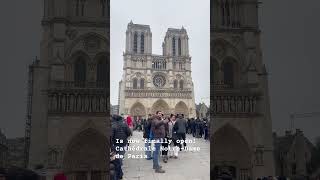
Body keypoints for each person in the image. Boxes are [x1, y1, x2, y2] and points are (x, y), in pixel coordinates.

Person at [112, 114, 132, 179]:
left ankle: (118, 174)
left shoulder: (112, 125)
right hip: (123, 143)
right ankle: (119, 174)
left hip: (115, 144)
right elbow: (129, 133)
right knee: (120, 158)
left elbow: (111, 137)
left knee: (116, 160)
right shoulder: (124, 124)